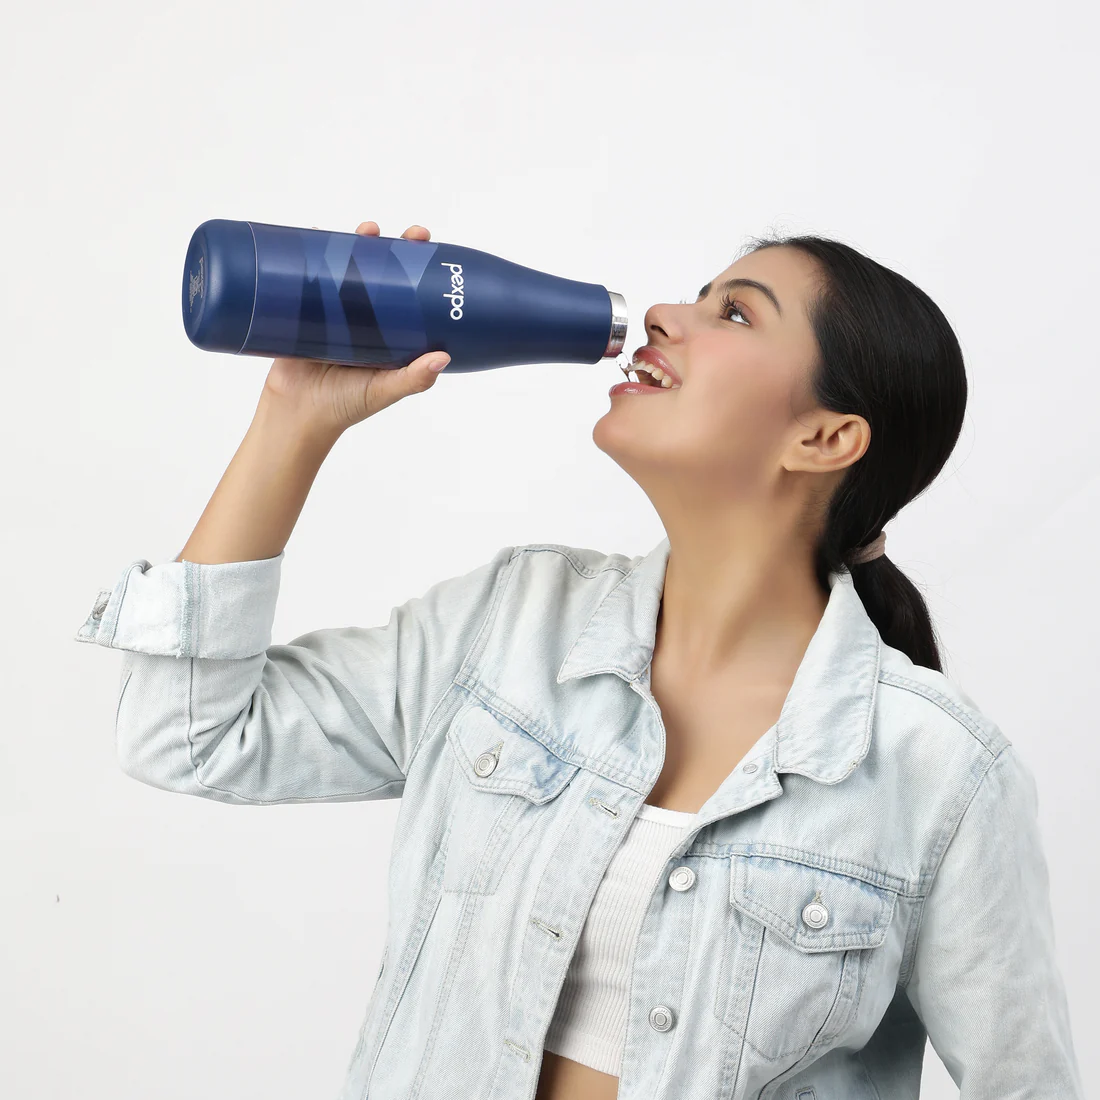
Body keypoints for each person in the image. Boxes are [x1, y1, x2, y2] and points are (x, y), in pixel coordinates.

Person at [75, 220, 1084, 1100]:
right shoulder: (509, 627)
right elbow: (188, 734)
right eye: (696, 295)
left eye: (734, 312)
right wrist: (293, 418)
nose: (663, 315)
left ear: (824, 437)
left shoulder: (940, 776)